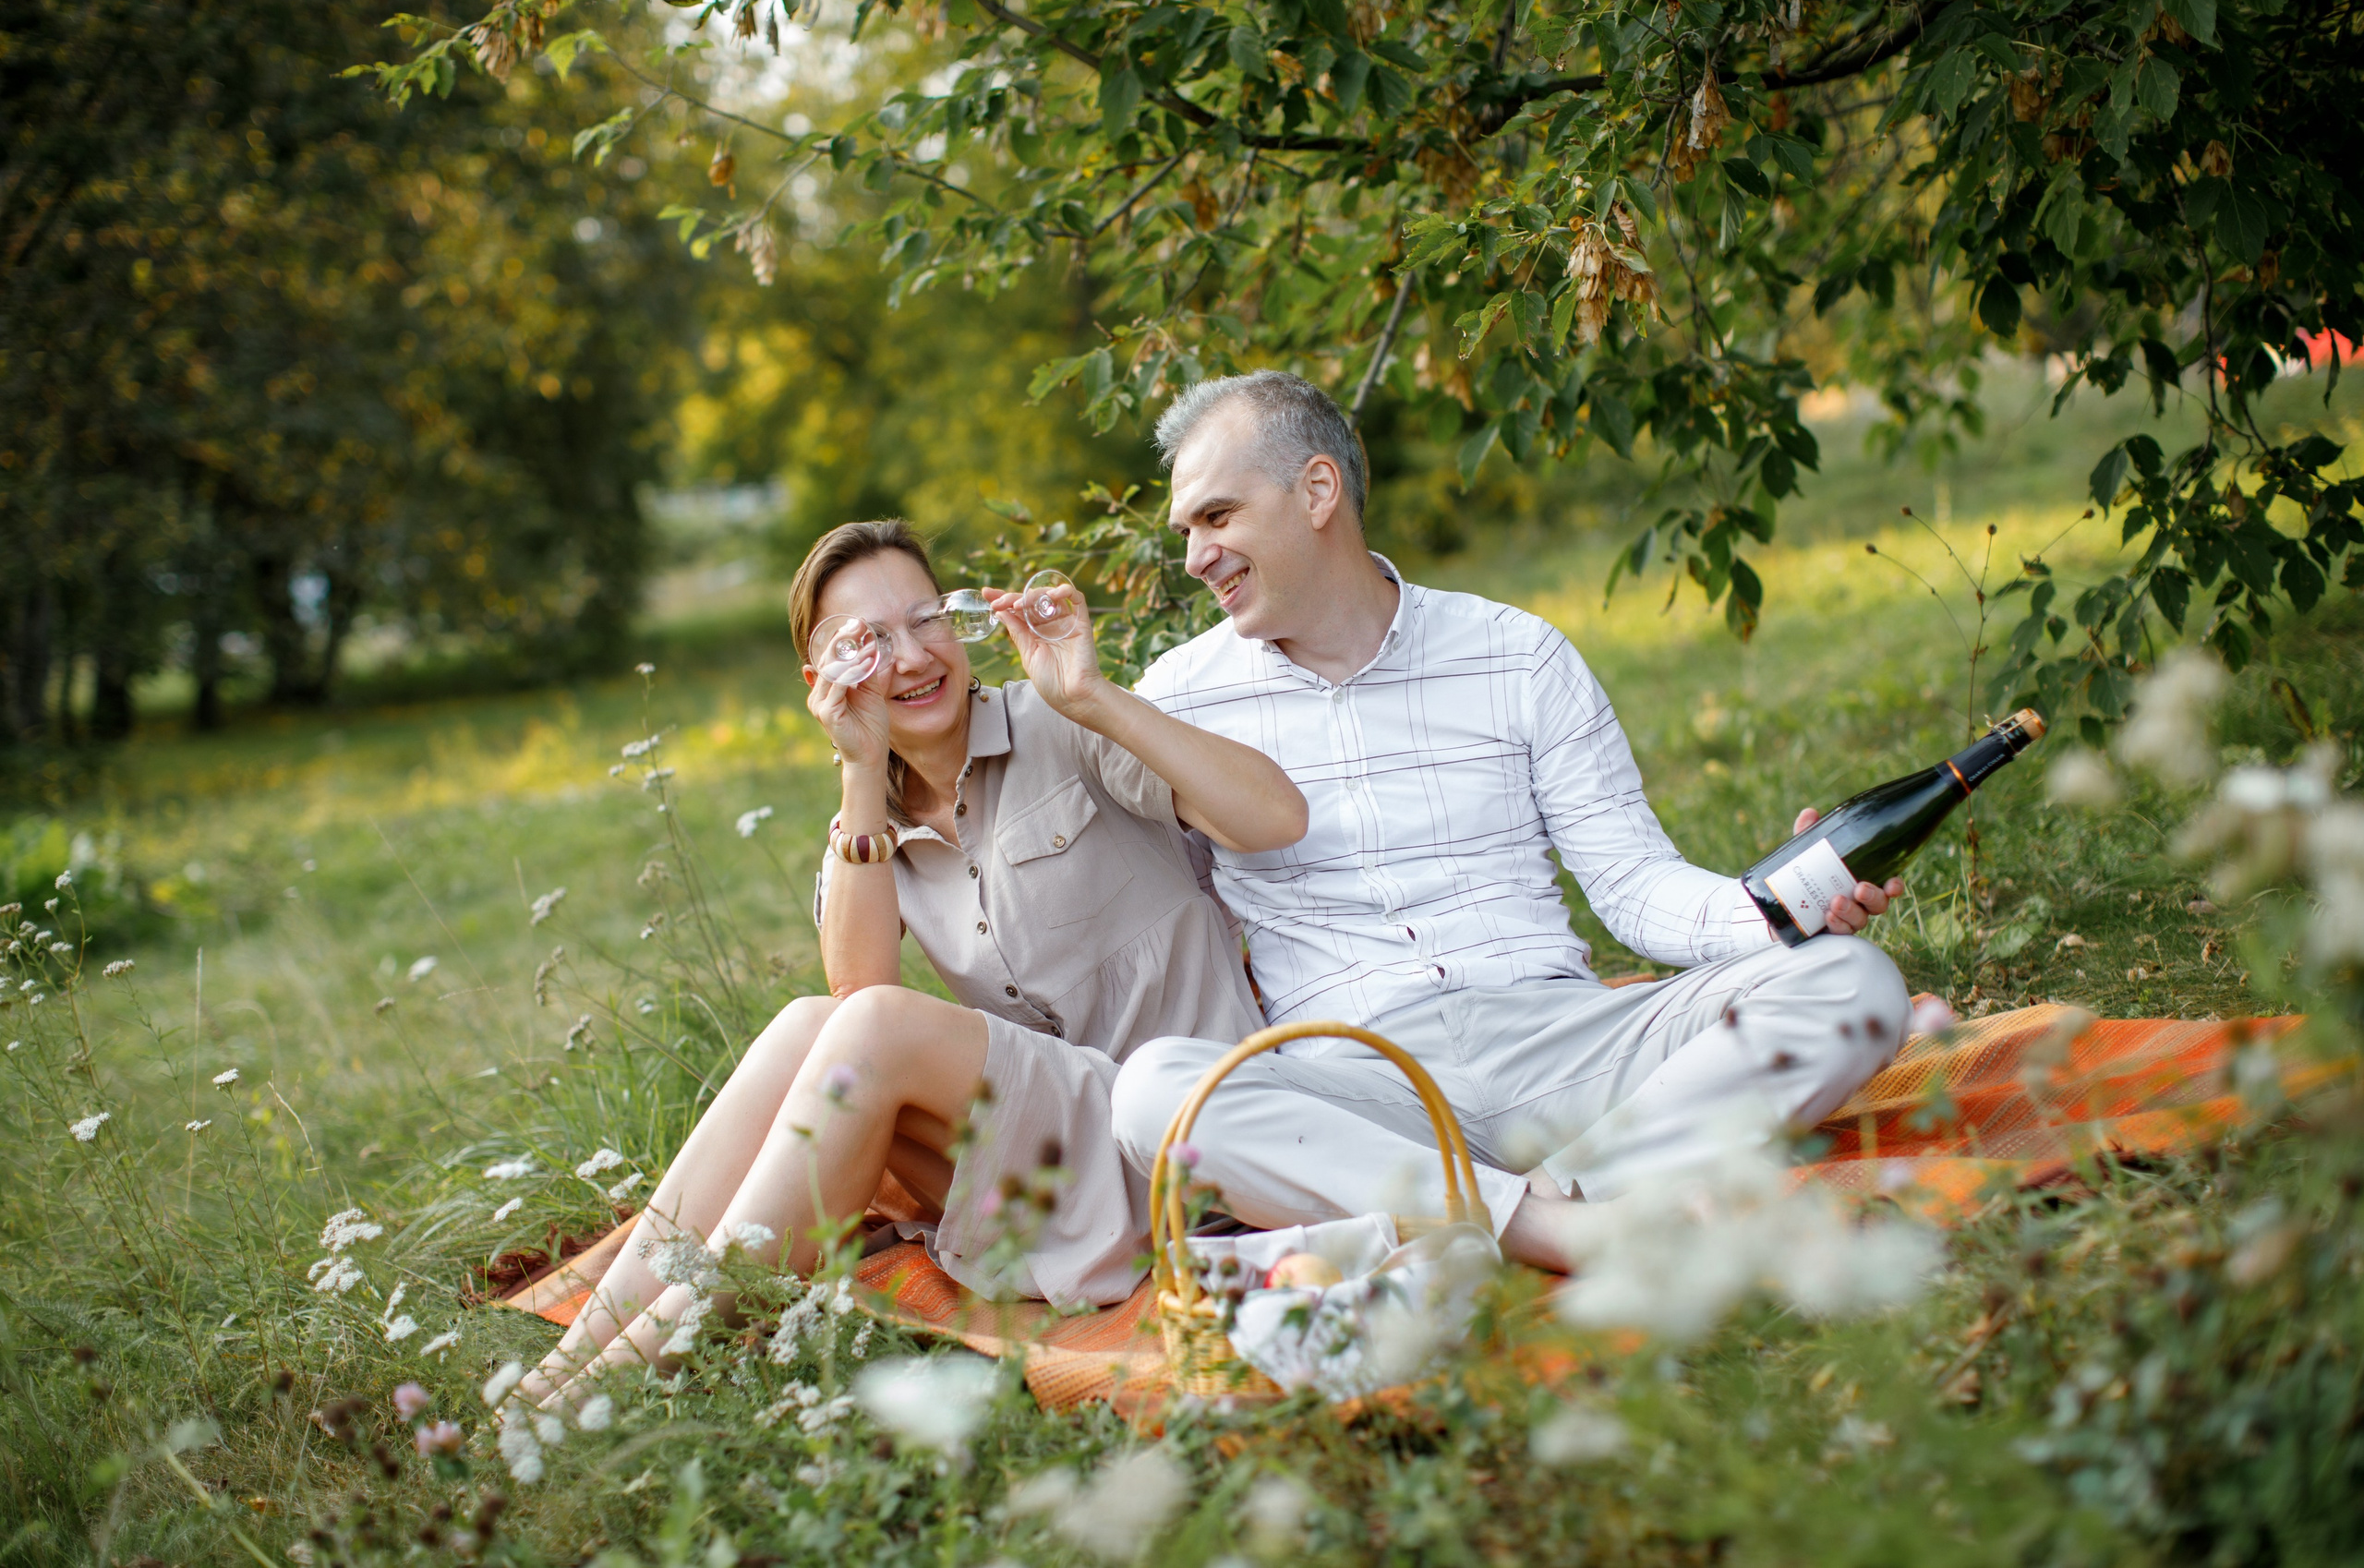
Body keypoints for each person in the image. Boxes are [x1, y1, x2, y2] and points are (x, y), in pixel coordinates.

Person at [1106, 371, 1914, 1271]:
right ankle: (1573, 1223)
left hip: (1566, 1047)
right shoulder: (1173, 701)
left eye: (1216, 518)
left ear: (1317, 491)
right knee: (1154, 1094)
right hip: (1362, 1086)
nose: (1193, 557)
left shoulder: (1513, 654)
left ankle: (1523, 1210)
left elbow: (1634, 887)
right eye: (1186, 531)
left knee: (1853, 985)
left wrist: (1768, 913)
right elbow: (1144, 921)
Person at [523, 520, 1305, 1404]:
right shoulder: (871, 817)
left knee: (867, 1026)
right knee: (807, 1024)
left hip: (1180, 1135)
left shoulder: (1061, 719)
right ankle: (572, 1359)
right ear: (824, 685)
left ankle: (628, 1370)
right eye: (867, 643)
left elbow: (1275, 817)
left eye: (925, 618)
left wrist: (1091, 692)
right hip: (1051, 1163)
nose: (911, 656)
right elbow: (854, 999)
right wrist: (859, 773)